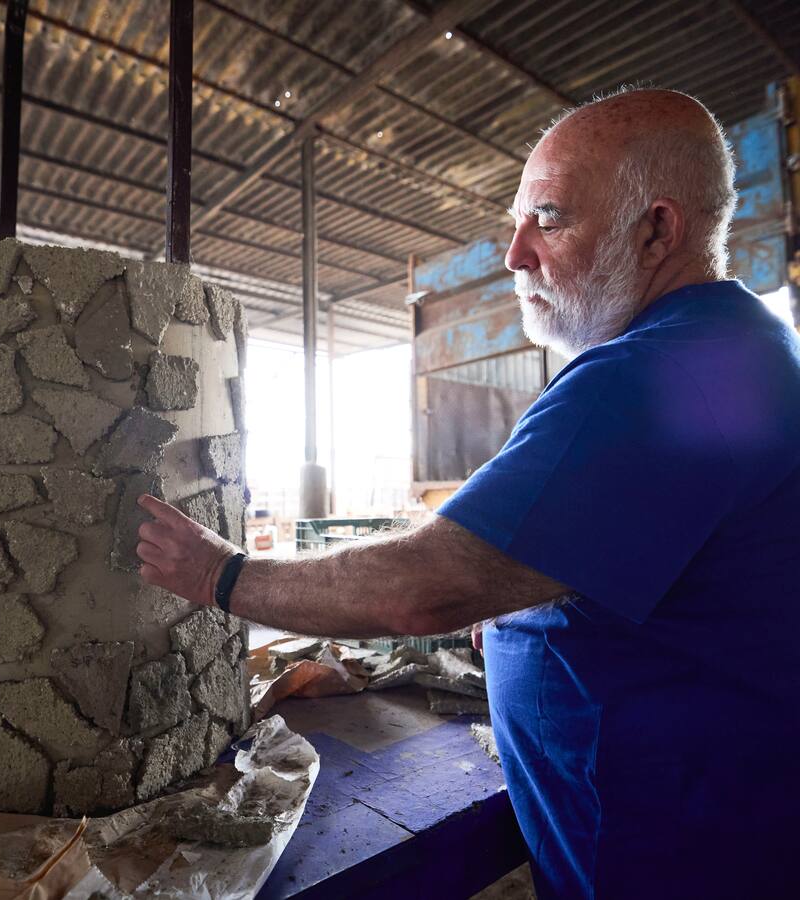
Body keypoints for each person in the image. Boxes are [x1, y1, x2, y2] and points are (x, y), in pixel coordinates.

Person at [134, 88, 800, 899]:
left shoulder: (647, 377)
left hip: (673, 851)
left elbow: (425, 589)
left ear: (658, 228)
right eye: (516, 222)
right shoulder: (745, 347)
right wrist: (525, 594)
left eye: (548, 219)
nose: (515, 254)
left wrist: (222, 576)